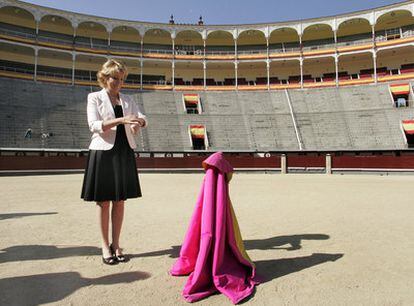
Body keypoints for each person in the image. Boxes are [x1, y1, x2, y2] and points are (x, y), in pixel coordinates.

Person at [81, 59, 147, 265]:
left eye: (121, 79)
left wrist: (139, 123)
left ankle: (116, 244)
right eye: (114, 79)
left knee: (120, 201)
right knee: (104, 202)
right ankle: (104, 244)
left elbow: (142, 117)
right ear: (104, 78)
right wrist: (121, 120)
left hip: (123, 150)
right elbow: (94, 125)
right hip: (103, 152)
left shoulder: (127, 99)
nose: (118, 83)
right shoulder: (94, 97)